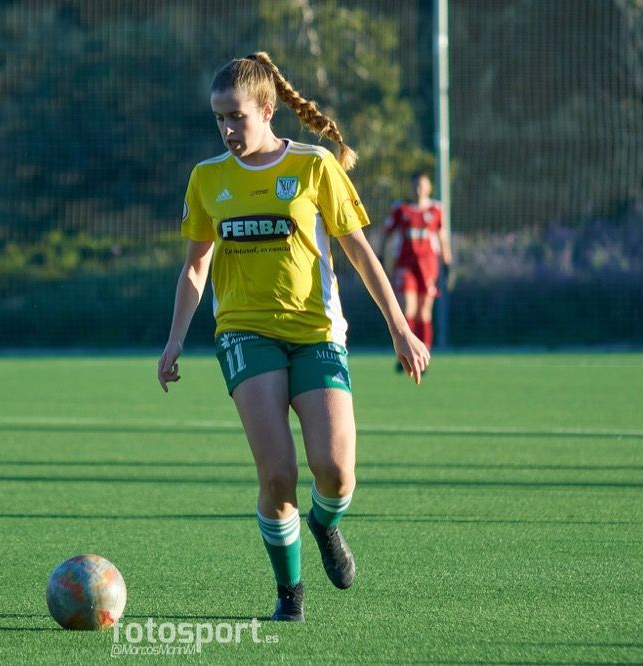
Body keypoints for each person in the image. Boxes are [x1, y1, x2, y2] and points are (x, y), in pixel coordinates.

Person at [156, 52, 429, 622]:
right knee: (277, 472)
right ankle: (290, 595)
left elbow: (360, 252)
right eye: (219, 118)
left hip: (317, 333)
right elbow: (195, 266)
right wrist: (175, 339)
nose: (228, 129)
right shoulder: (208, 178)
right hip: (244, 334)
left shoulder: (314, 166)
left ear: (266, 109)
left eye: (237, 116)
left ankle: (325, 523)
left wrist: (400, 327)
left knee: (335, 472)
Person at [381, 171, 452, 360]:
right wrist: (380, 255)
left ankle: (424, 351)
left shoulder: (436, 209)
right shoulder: (401, 209)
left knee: (424, 311)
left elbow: (442, 237)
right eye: (415, 186)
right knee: (408, 308)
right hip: (406, 265)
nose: (418, 190)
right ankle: (406, 351)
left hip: (428, 266)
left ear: (429, 188)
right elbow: (386, 234)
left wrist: (447, 263)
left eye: (422, 185)